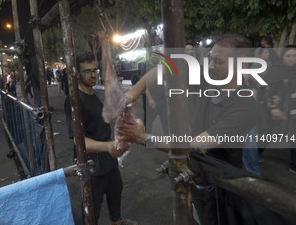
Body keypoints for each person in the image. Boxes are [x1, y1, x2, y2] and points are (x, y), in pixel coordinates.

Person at [119, 35, 266, 225]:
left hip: (220, 187)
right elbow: (167, 68)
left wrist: (143, 137)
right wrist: (133, 93)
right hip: (193, 177)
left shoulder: (246, 108)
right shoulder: (208, 78)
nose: (211, 66)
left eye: (218, 61)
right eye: (210, 59)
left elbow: (195, 145)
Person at [64, 52, 137, 225]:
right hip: (91, 161)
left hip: (107, 157)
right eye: (87, 71)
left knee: (115, 190)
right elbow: (79, 141)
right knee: (92, 205)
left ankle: (116, 222)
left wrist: (117, 116)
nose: (93, 75)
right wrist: (110, 146)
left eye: (94, 70)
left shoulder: (92, 93)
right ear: (76, 73)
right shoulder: (75, 100)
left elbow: (98, 118)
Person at [261, 45, 296, 173]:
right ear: (282, 56)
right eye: (288, 56)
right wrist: (272, 106)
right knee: (270, 135)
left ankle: (294, 165)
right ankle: (255, 154)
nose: (291, 59)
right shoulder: (275, 71)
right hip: (278, 112)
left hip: (293, 113)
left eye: (294, 56)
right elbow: (266, 90)